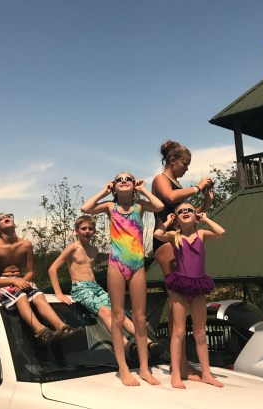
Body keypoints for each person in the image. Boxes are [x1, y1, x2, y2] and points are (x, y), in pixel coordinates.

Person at [81, 173, 164, 386]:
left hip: (137, 265)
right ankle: (123, 368)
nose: (124, 180)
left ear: (134, 185)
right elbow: (86, 208)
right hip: (116, 265)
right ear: (115, 187)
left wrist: (143, 190)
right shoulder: (110, 207)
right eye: (119, 179)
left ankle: (144, 368)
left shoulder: (140, 206)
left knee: (140, 319)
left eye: (129, 178)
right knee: (117, 318)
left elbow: (160, 206)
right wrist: (104, 191)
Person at [48, 214, 163, 358]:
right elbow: (52, 269)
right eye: (83, 228)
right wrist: (59, 293)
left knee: (119, 314)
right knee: (105, 313)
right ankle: (127, 346)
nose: (87, 231)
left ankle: (149, 343)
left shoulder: (94, 250)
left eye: (90, 228)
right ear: (76, 231)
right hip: (80, 288)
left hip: (95, 287)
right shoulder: (73, 248)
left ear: (94, 231)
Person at [151, 140, 214, 380]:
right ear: (173, 161)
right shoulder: (161, 180)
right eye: (185, 164)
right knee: (176, 300)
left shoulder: (179, 185)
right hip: (166, 241)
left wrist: (207, 199)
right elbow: (169, 196)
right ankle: (181, 365)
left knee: (184, 302)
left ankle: (182, 362)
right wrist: (196, 188)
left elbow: (192, 215)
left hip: (182, 242)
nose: (187, 168)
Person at [154, 202, 226, 388]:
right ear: (177, 219)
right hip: (180, 287)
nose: (185, 212)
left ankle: (207, 374)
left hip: (198, 287)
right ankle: (176, 374)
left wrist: (206, 218)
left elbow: (221, 232)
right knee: (178, 331)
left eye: (189, 210)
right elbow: (158, 234)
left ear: (196, 216)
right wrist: (168, 221)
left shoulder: (201, 234)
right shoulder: (175, 236)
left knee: (200, 332)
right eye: (180, 211)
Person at [0, 212, 75, 344]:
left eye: (8, 216)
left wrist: (23, 281)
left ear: (14, 224)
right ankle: (41, 331)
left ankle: (62, 327)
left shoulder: (26, 245)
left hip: (21, 280)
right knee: (21, 297)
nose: (5, 218)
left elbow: (30, 272)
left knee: (39, 296)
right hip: (1, 284)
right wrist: (14, 281)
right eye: (0, 218)